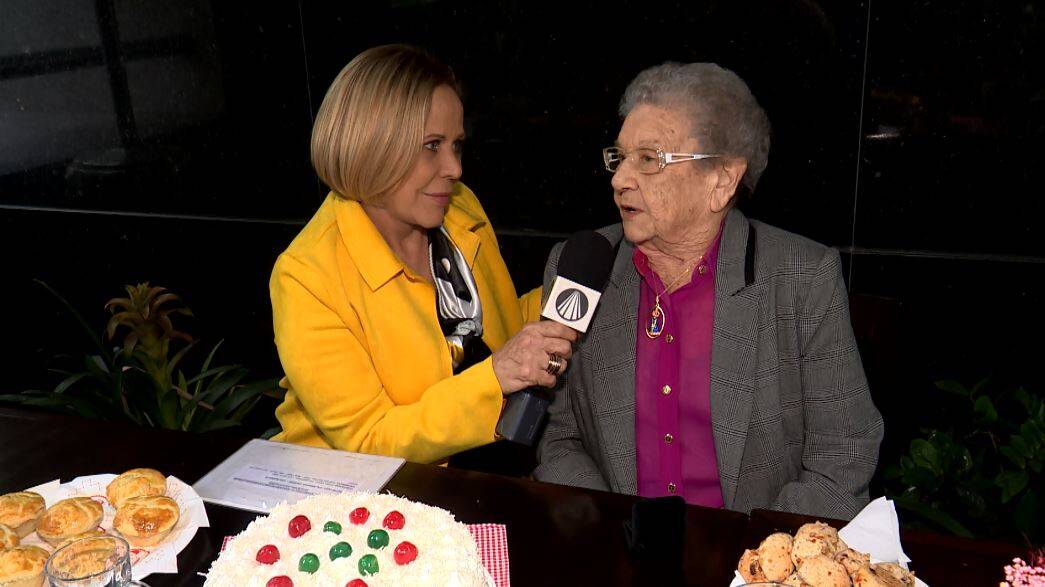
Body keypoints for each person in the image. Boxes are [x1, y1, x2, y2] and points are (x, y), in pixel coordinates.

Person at [534, 62, 883, 519]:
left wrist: (753, 558)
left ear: (721, 181)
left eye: (649, 159)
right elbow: (559, 438)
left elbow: (843, 459)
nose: (620, 180)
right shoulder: (582, 268)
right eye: (619, 158)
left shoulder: (800, 278)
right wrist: (609, 527)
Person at [270, 45, 576, 466]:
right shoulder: (305, 276)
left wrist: (574, 292)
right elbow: (369, 441)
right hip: (358, 502)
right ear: (371, 145)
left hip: (479, 472)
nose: (454, 168)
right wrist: (494, 378)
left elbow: (498, 328)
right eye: (432, 145)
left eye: (456, 145)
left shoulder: (459, 206)